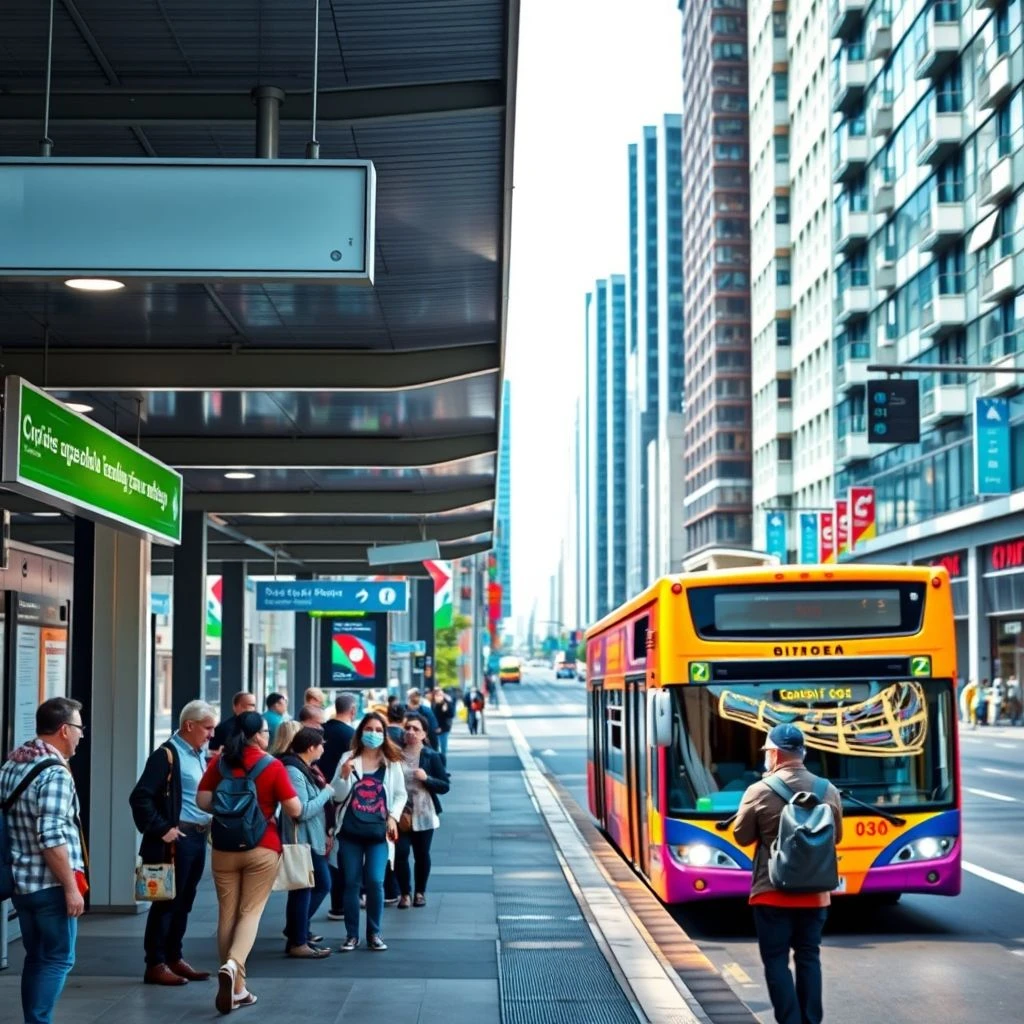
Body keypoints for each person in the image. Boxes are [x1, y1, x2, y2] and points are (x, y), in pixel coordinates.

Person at [733, 724, 844, 1024]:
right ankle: (810, 1020)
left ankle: (789, 1021)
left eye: (767, 752)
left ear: (775, 754)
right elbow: (836, 838)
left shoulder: (758, 791)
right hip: (815, 894)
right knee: (809, 957)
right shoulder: (827, 789)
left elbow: (742, 837)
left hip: (772, 892)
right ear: (802, 753)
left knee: (776, 961)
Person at [197, 712, 300, 1014]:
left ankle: (237, 989)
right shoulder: (273, 765)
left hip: (224, 847)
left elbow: (202, 801)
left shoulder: (221, 762)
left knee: (227, 913)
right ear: (257, 736)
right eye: (266, 731)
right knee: (250, 912)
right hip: (262, 846)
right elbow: (294, 809)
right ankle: (233, 965)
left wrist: (229, 806)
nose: (268, 736)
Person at [0, 697, 87, 1024]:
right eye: (79, 728)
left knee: (37, 959)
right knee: (57, 959)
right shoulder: (56, 773)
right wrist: (70, 889)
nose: (81, 735)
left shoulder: (13, 763)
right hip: (50, 885)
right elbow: (51, 836)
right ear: (65, 730)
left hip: (21, 882)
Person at [129, 699, 218, 986]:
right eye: (207, 728)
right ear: (188, 726)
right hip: (174, 841)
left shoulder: (197, 754)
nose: (211, 734)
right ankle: (154, 963)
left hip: (196, 837)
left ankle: (173, 957)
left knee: (185, 901)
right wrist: (162, 828)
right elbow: (140, 797)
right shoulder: (166, 755)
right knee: (165, 902)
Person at [332, 712, 406, 952]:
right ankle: (351, 934)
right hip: (351, 830)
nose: (373, 734)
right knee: (351, 882)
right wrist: (344, 776)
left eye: (378, 730)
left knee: (375, 881)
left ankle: (374, 932)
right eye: (369, 729)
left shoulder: (391, 762)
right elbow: (338, 795)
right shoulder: (348, 758)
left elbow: (400, 794)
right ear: (360, 731)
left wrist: (393, 816)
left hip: (378, 831)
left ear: (384, 735)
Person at [279, 727, 334, 959]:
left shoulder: (304, 768)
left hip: (311, 840)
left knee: (308, 887)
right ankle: (297, 937)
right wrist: (326, 793)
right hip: (302, 842)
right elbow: (301, 811)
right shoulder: (294, 771)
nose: (323, 748)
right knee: (314, 886)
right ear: (311, 747)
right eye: (321, 744)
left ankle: (297, 933)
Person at [394, 714, 449, 909]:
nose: (410, 732)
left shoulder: (431, 756)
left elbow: (444, 786)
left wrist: (427, 779)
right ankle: (405, 893)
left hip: (424, 813)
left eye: (416, 729)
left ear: (424, 734)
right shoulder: (395, 754)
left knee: (421, 854)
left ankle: (420, 892)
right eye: (408, 728)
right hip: (399, 814)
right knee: (400, 853)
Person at [431, 688, 455, 761]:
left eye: (441, 695)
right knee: (435, 750)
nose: (439, 696)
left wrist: (446, 709)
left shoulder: (446, 703)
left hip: (443, 729)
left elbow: (451, 715)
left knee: (443, 749)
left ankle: (442, 767)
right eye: (437, 695)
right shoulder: (432, 704)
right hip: (434, 730)